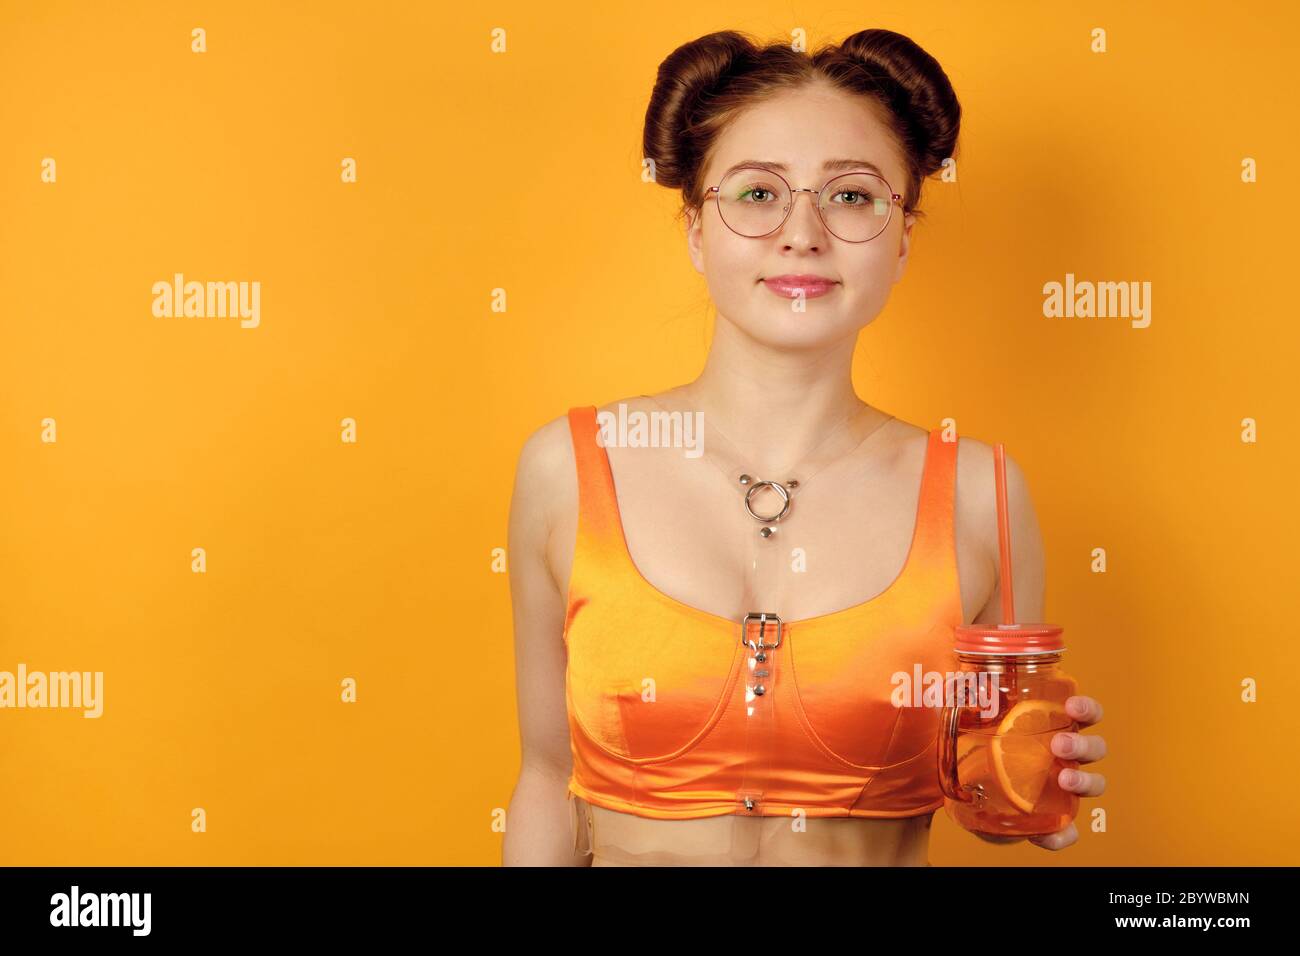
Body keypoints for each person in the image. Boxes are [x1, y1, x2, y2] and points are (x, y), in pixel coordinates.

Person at [503, 27, 1107, 866]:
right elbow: (545, 777)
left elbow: (999, 773)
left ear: (902, 239)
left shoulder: (985, 495)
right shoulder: (566, 468)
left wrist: (1025, 787)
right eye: (757, 194)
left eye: (853, 196)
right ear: (693, 229)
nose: (802, 232)